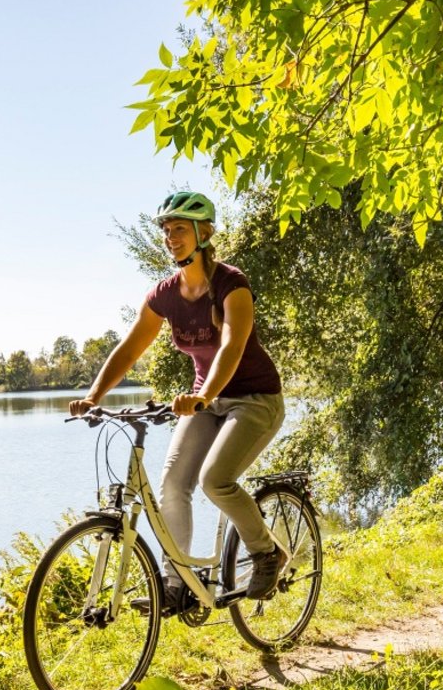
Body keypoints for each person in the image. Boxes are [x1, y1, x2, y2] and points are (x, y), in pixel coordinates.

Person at [71, 190, 287, 614]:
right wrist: (93, 396)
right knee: (173, 483)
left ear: (204, 232)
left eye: (180, 229)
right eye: (167, 231)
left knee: (215, 480)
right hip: (206, 401)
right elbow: (130, 349)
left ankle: (267, 553)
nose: (171, 237)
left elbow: (232, 346)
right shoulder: (165, 294)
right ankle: (177, 582)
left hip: (254, 399)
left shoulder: (231, 284)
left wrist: (203, 395)